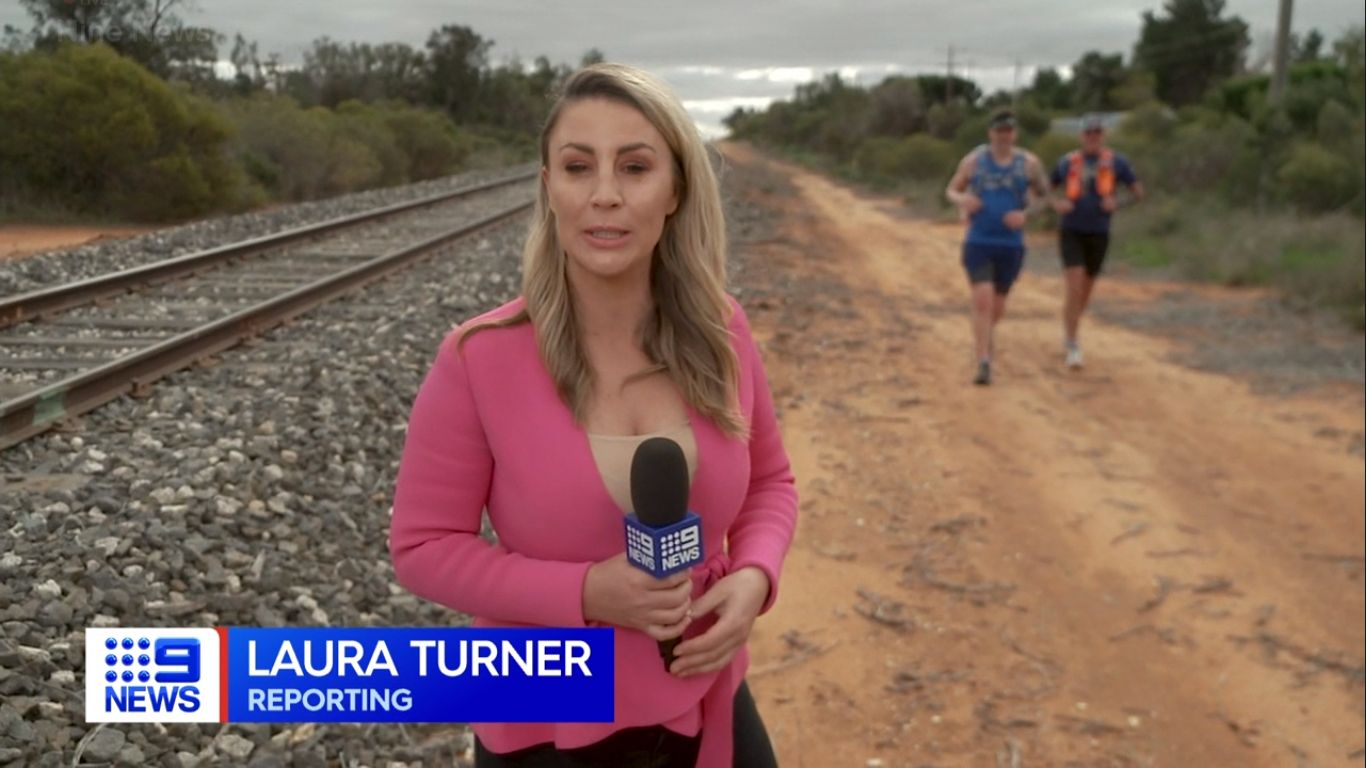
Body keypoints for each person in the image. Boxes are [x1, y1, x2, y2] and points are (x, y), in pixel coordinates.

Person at [389, 62, 798, 768]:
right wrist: (585, 594)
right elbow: (422, 548)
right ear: (549, 186)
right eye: (579, 167)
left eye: (635, 167)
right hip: (546, 715)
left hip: (707, 697)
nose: (605, 194)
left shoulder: (721, 331)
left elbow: (770, 483)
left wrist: (755, 575)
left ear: (675, 190)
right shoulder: (478, 357)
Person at [944, 108, 1050, 386]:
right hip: (979, 241)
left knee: (998, 307)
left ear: (1014, 134)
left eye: (1008, 131)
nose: (1004, 136)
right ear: (990, 133)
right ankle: (983, 362)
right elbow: (951, 189)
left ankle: (984, 336)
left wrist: (1025, 214)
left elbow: (1044, 197)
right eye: (999, 131)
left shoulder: (1028, 164)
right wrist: (963, 200)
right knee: (983, 300)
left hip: (1011, 244)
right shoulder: (974, 162)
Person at [1049, 114, 1144, 369]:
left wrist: (1118, 203)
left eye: (1097, 133)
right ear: (1081, 136)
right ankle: (1073, 343)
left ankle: (1070, 327)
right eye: (1088, 133)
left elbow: (1138, 192)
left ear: (1103, 136)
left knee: (1086, 290)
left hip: (1099, 232)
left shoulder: (1117, 162)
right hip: (1071, 230)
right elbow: (1045, 188)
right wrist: (1056, 203)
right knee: (1074, 285)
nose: (1092, 137)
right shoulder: (1067, 162)